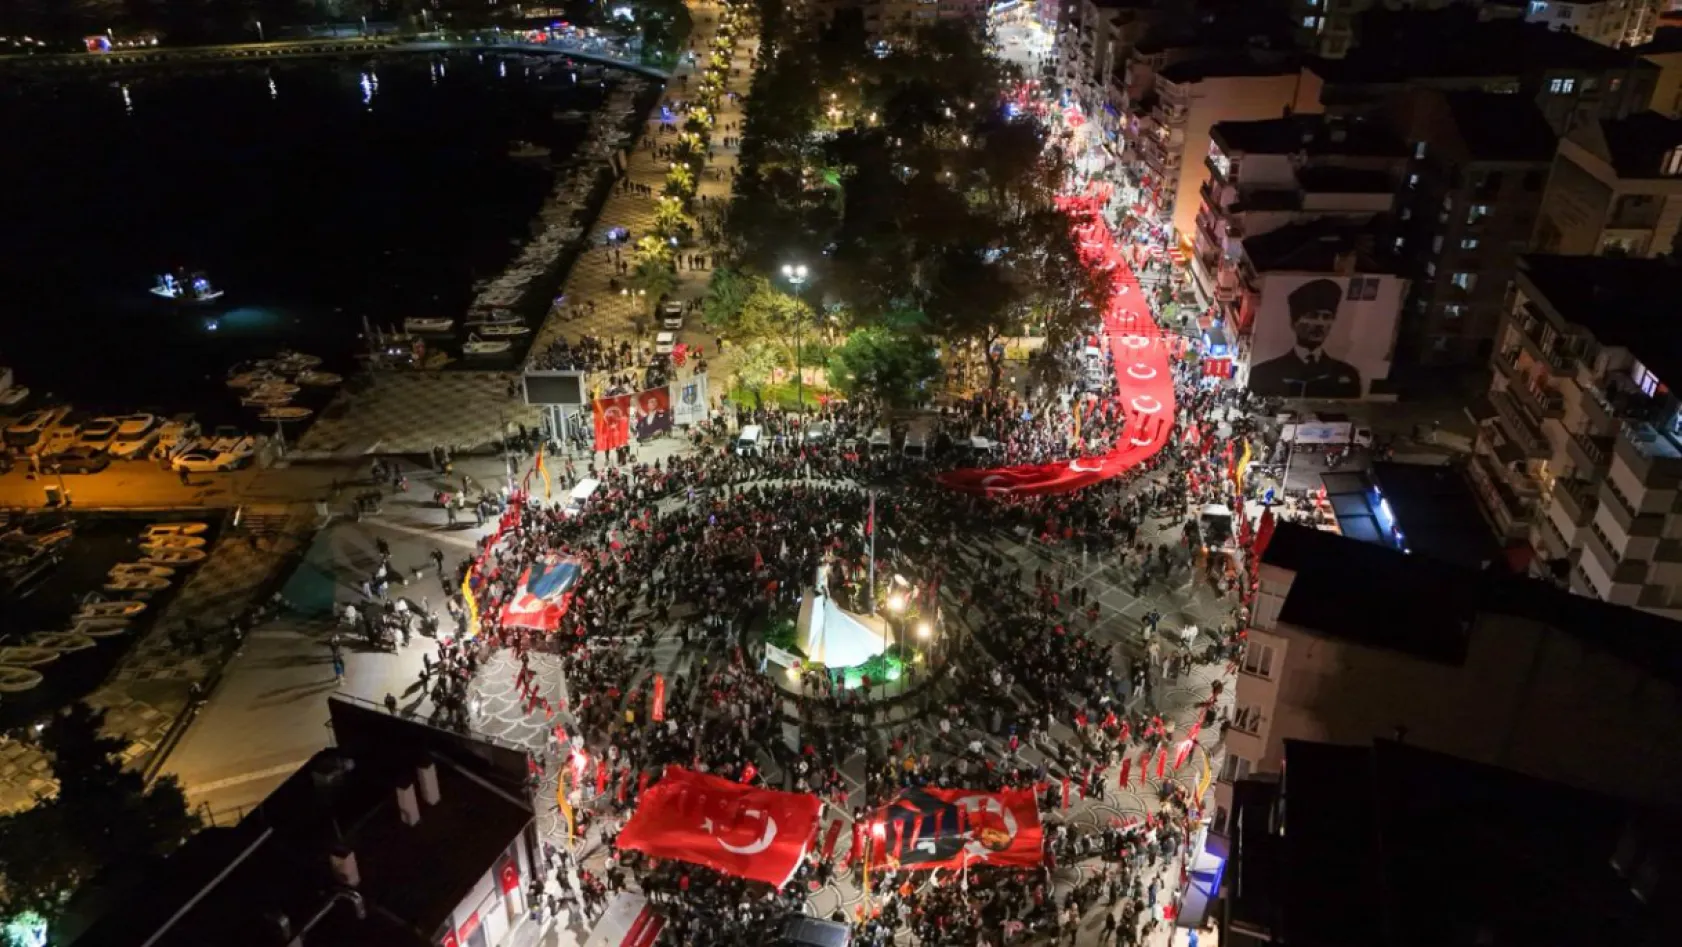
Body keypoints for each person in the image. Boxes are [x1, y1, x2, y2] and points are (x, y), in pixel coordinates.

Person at [1245, 278, 1363, 398]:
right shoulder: (1263, 373)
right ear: (1294, 323)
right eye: (1312, 316)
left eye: (1327, 317)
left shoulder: (1347, 374)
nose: (1320, 323)